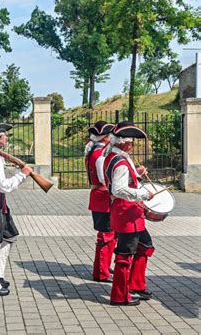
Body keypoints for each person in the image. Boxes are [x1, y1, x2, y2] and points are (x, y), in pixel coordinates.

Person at [103, 121, 155, 306]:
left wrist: (138, 175)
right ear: (123, 142)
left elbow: (124, 182)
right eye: (131, 141)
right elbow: (118, 189)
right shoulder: (121, 161)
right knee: (125, 254)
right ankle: (119, 295)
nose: (132, 144)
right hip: (127, 214)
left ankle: (135, 284)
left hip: (129, 213)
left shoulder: (113, 156)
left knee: (145, 246)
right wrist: (143, 193)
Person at [0, 121, 32, 296]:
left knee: (9, 236)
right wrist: (22, 175)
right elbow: (2, 185)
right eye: (5, 135)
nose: (7, 138)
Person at [84, 121, 115, 283]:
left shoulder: (93, 150)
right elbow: (105, 179)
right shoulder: (100, 155)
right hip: (103, 197)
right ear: (106, 137)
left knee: (109, 234)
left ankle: (104, 267)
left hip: (99, 197)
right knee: (106, 235)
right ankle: (101, 272)